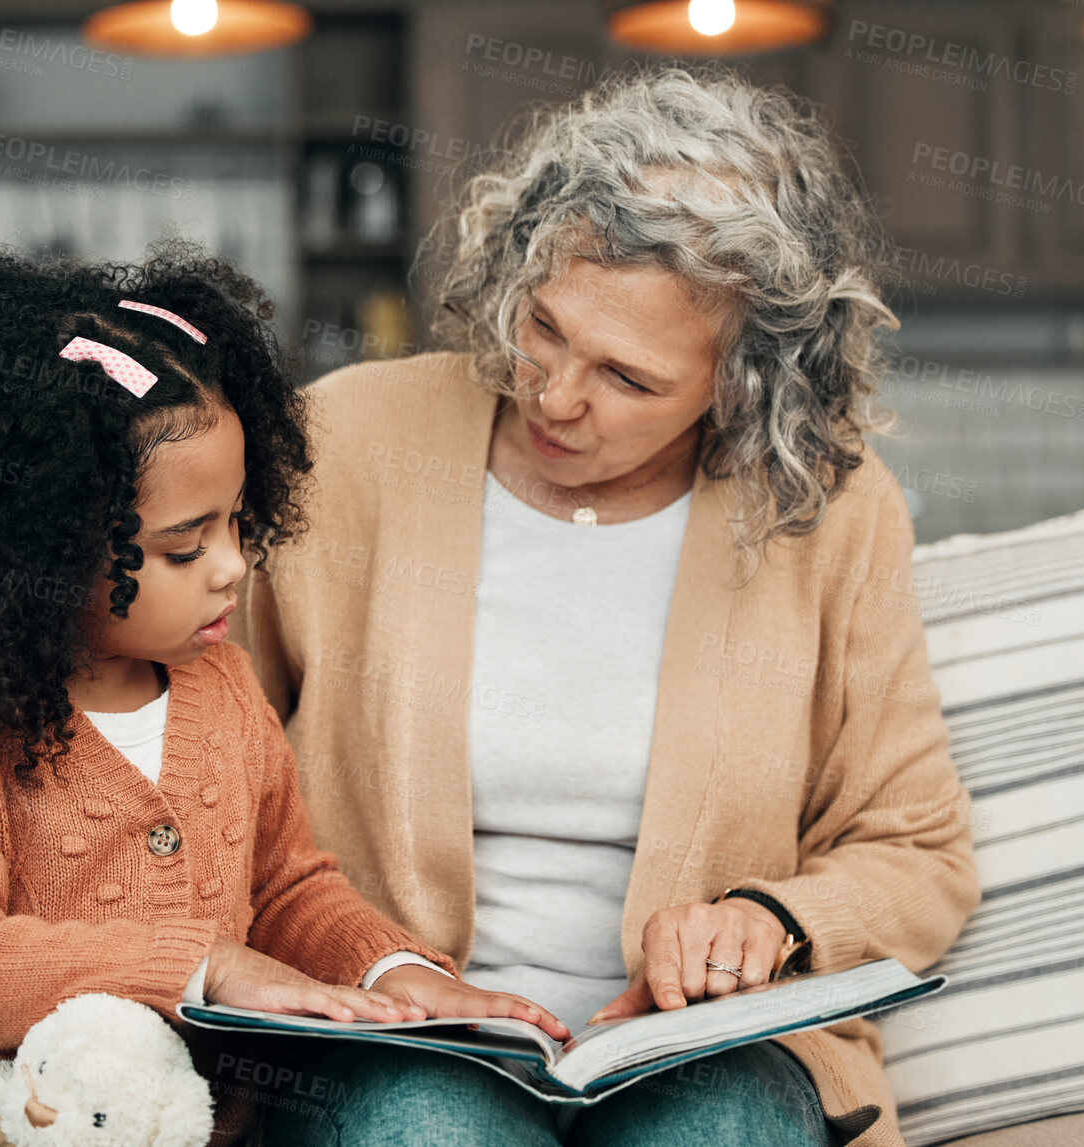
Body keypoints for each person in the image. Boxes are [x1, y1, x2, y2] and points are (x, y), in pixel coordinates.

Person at [231, 66, 982, 1146]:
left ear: (744, 385)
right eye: (542, 326)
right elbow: (200, 766)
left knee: (721, 1127)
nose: (554, 394)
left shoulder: (828, 510)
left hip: (702, 1056)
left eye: (628, 379)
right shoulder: (344, 442)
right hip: (395, 1045)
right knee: (422, 1127)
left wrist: (764, 922)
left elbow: (917, 850)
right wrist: (362, 962)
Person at [0, 241, 566, 1147]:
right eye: (182, 545)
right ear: (31, 552)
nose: (235, 565)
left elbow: (286, 884)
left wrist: (391, 966)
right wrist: (203, 965)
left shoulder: (224, 686)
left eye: (237, 520)